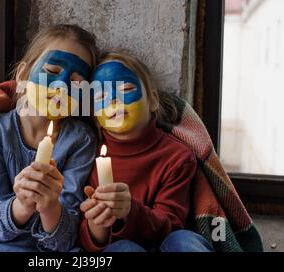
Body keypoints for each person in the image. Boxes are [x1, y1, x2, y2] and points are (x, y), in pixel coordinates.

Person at [0, 24, 98, 252]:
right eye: (53, 71)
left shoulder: (80, 140)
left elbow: (66, 240)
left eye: (77, 82)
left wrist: (49, 207)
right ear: (23, 74)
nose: (61, 86)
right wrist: (22, 204)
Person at [79, 50, 214, 252]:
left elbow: (171, 226)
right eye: (101, 95)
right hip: (117, 246)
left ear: (152, 100)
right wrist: (97, 223)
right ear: (94, 113)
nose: (114, 100)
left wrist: (130, 210)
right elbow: (89, 244)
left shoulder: (177, 156)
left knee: (186, 241)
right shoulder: (86, 154)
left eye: (126, 88)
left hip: (166, 243)